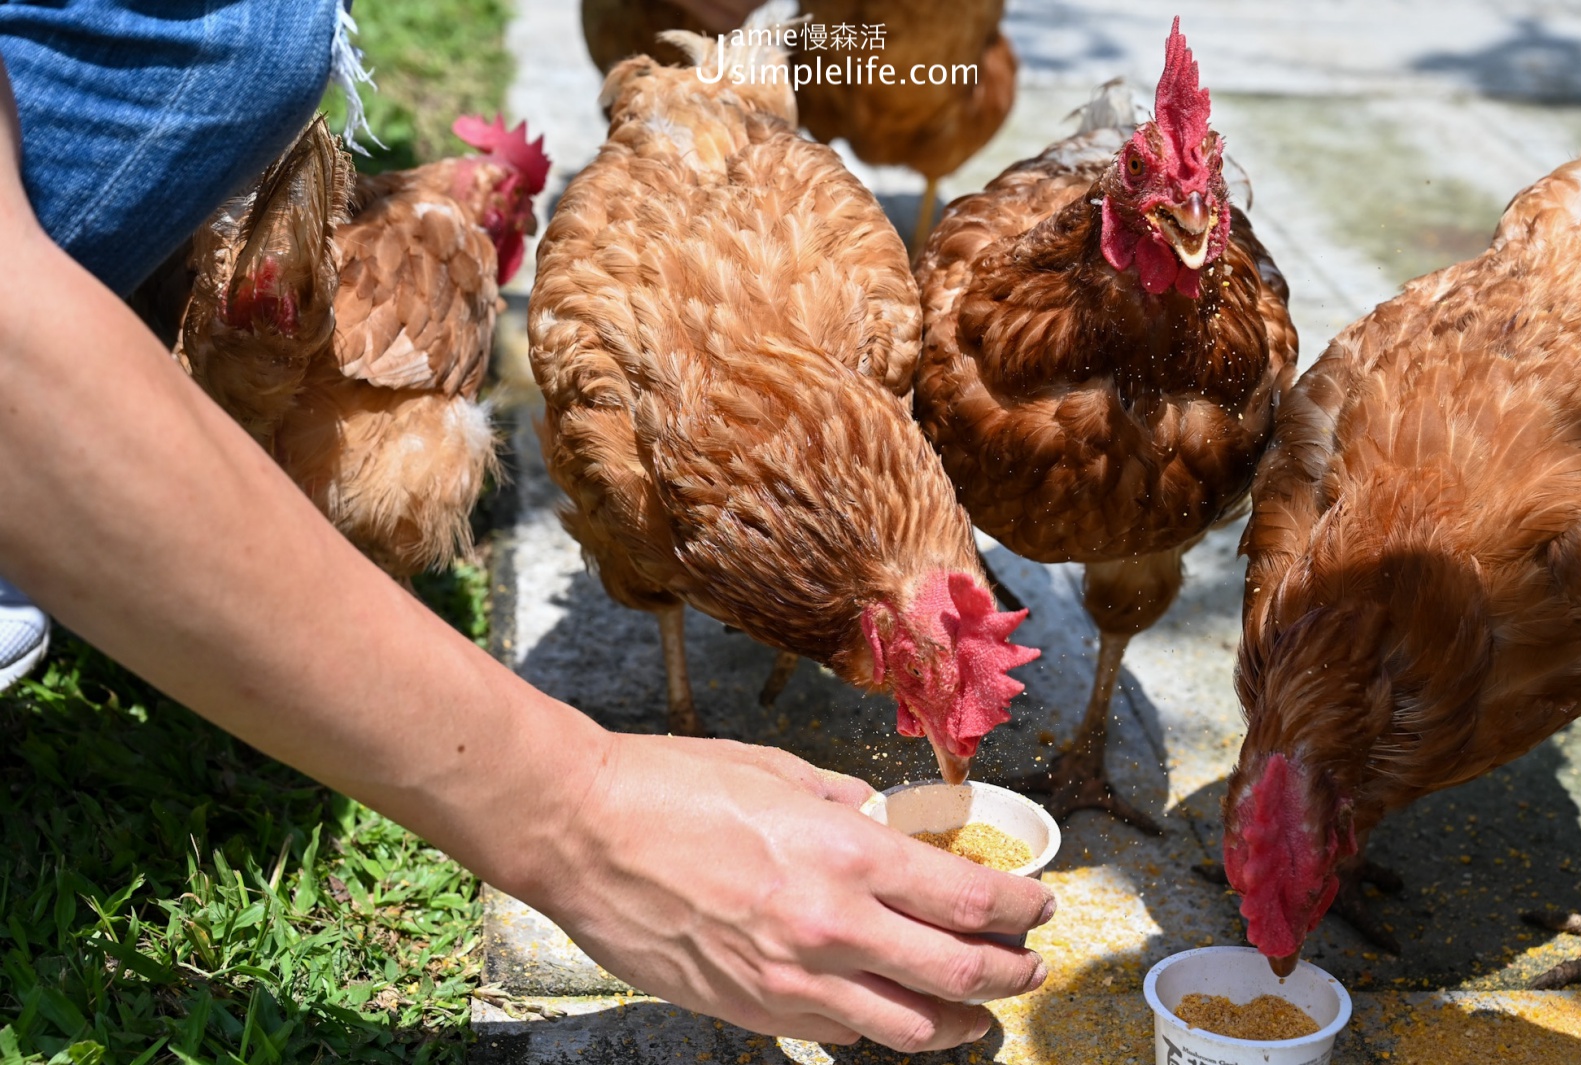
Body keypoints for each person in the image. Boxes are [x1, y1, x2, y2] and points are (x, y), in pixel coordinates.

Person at [0, 1, 1054, 1052]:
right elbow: (17, 365)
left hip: (749, 197)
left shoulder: (868, 317)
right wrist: (577, 814)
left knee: (261, 33)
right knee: (253, 36)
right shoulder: (623, 377)